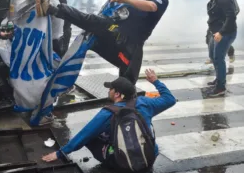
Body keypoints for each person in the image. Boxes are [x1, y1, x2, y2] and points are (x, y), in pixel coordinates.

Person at [34, 0, 168, 85]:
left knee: (129, 77)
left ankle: (120, 91)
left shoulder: (162, 1)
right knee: (91, 21)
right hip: (117, 30)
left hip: (133, 43)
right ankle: (53, 8)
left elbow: (150, 6)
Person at [42, 69, 176, 166]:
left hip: (123, 165)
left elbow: (83, 136)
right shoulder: (146, 102)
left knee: (91, 136)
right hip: (150, 156)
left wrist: (59, 153)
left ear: (117, 94)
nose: (108, 91)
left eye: (110, 89)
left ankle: (114, 158)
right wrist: (156, 81)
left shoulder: (109, 113)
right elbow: (170, 99)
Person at [206, 0, 237, 96]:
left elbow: (231, 18)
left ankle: (220, 87)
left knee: (219, 58)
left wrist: (221, 32)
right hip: (215, 32)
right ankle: (218, 78)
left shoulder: (225, 0)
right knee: (212, 56)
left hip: (225, 34)